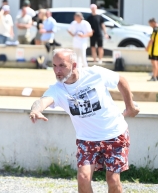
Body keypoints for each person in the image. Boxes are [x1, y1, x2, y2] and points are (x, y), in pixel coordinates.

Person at [29, 48, 139, 193]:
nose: (57, 70)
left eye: (62, 65)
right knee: (83, 178)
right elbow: (43, 101)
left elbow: (121, 80)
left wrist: (130, 107)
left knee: (112, 180)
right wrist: (35, 110)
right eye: (54, 66)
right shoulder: (57, 89)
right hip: (87, 140)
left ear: (74, 65)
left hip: (114, 133)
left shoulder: (95, 73)